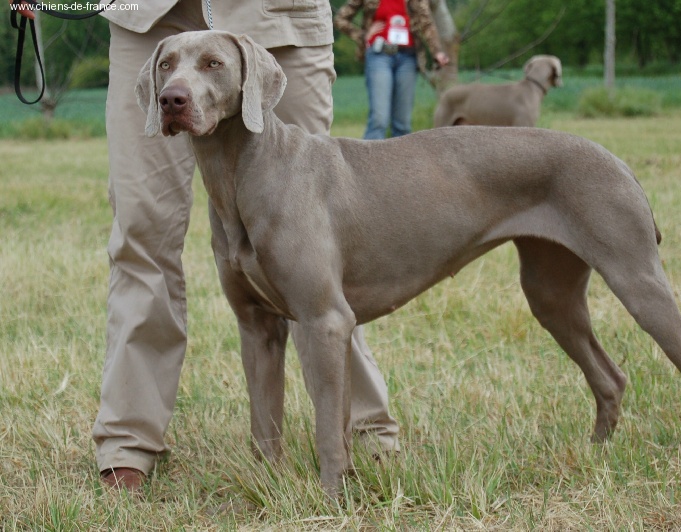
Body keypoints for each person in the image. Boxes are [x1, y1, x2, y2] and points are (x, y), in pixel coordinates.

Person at [11, 0, 400, 491]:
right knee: (141, 229)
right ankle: (129, 441)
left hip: (274, 14)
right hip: (145, 15)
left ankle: (364, 427)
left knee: (310, 242)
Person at [334, 0, 449, 139]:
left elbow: (427, 23)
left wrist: (437, 52)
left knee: (403, 123)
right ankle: (369, 153)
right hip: (379, 55)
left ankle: (402, 154)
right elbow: (340, 19)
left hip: (408, 57)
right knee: (379, 120)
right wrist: (362, 35)